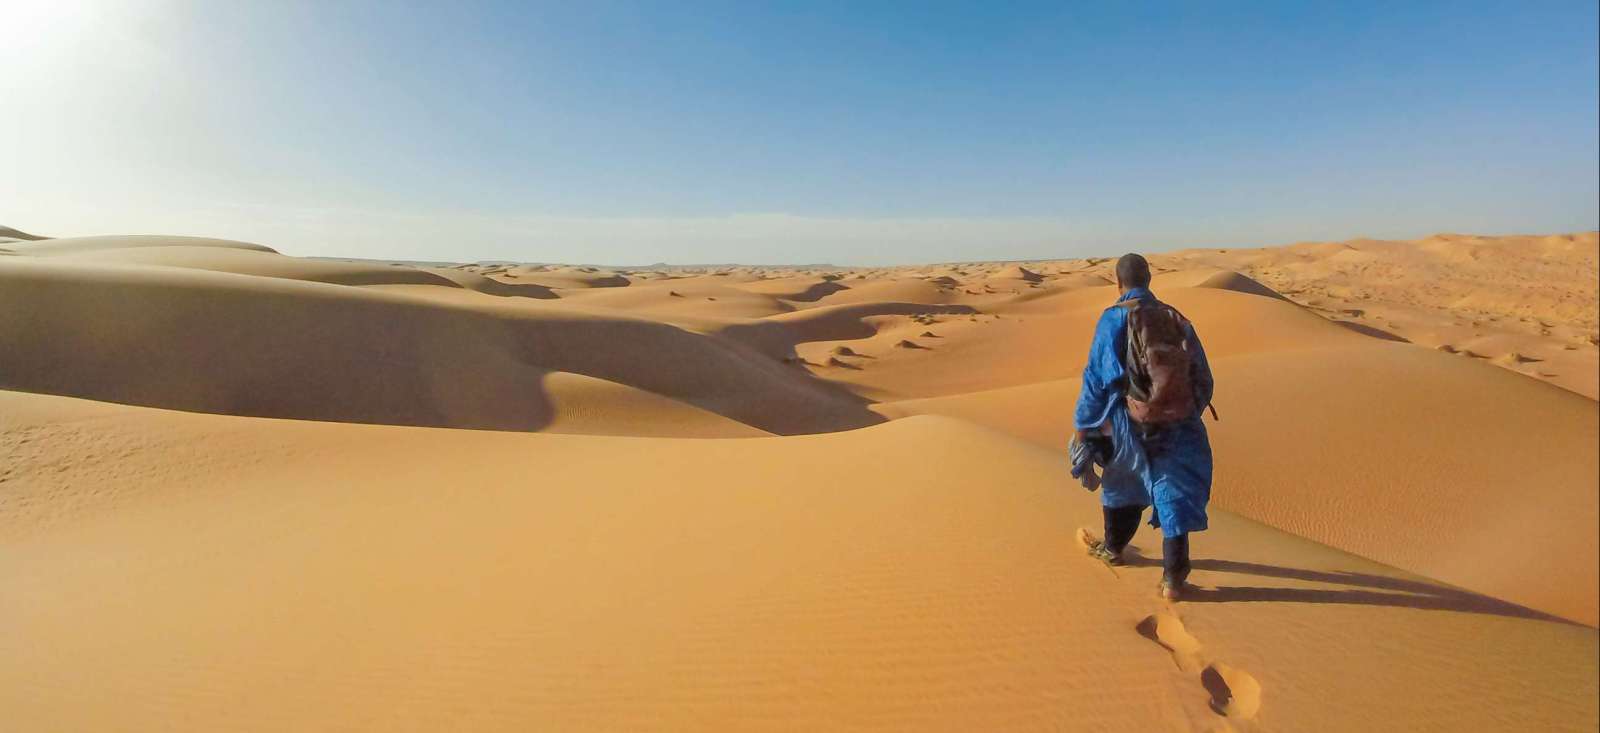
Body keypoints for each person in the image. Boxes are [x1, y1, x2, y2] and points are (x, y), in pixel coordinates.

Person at [1073, 253, 1215, 600]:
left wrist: (1083, 427)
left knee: (1121, 485)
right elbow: (1203, 377)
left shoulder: (1113, 319)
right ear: (1150, 279)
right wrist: (1184, 411)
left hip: (1128, 421)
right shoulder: (1176, 318)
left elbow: (1096, 377)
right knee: (1174, 490)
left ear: (1118, 282)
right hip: (1180, 422)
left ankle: (1114, 548)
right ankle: (1173, 577)